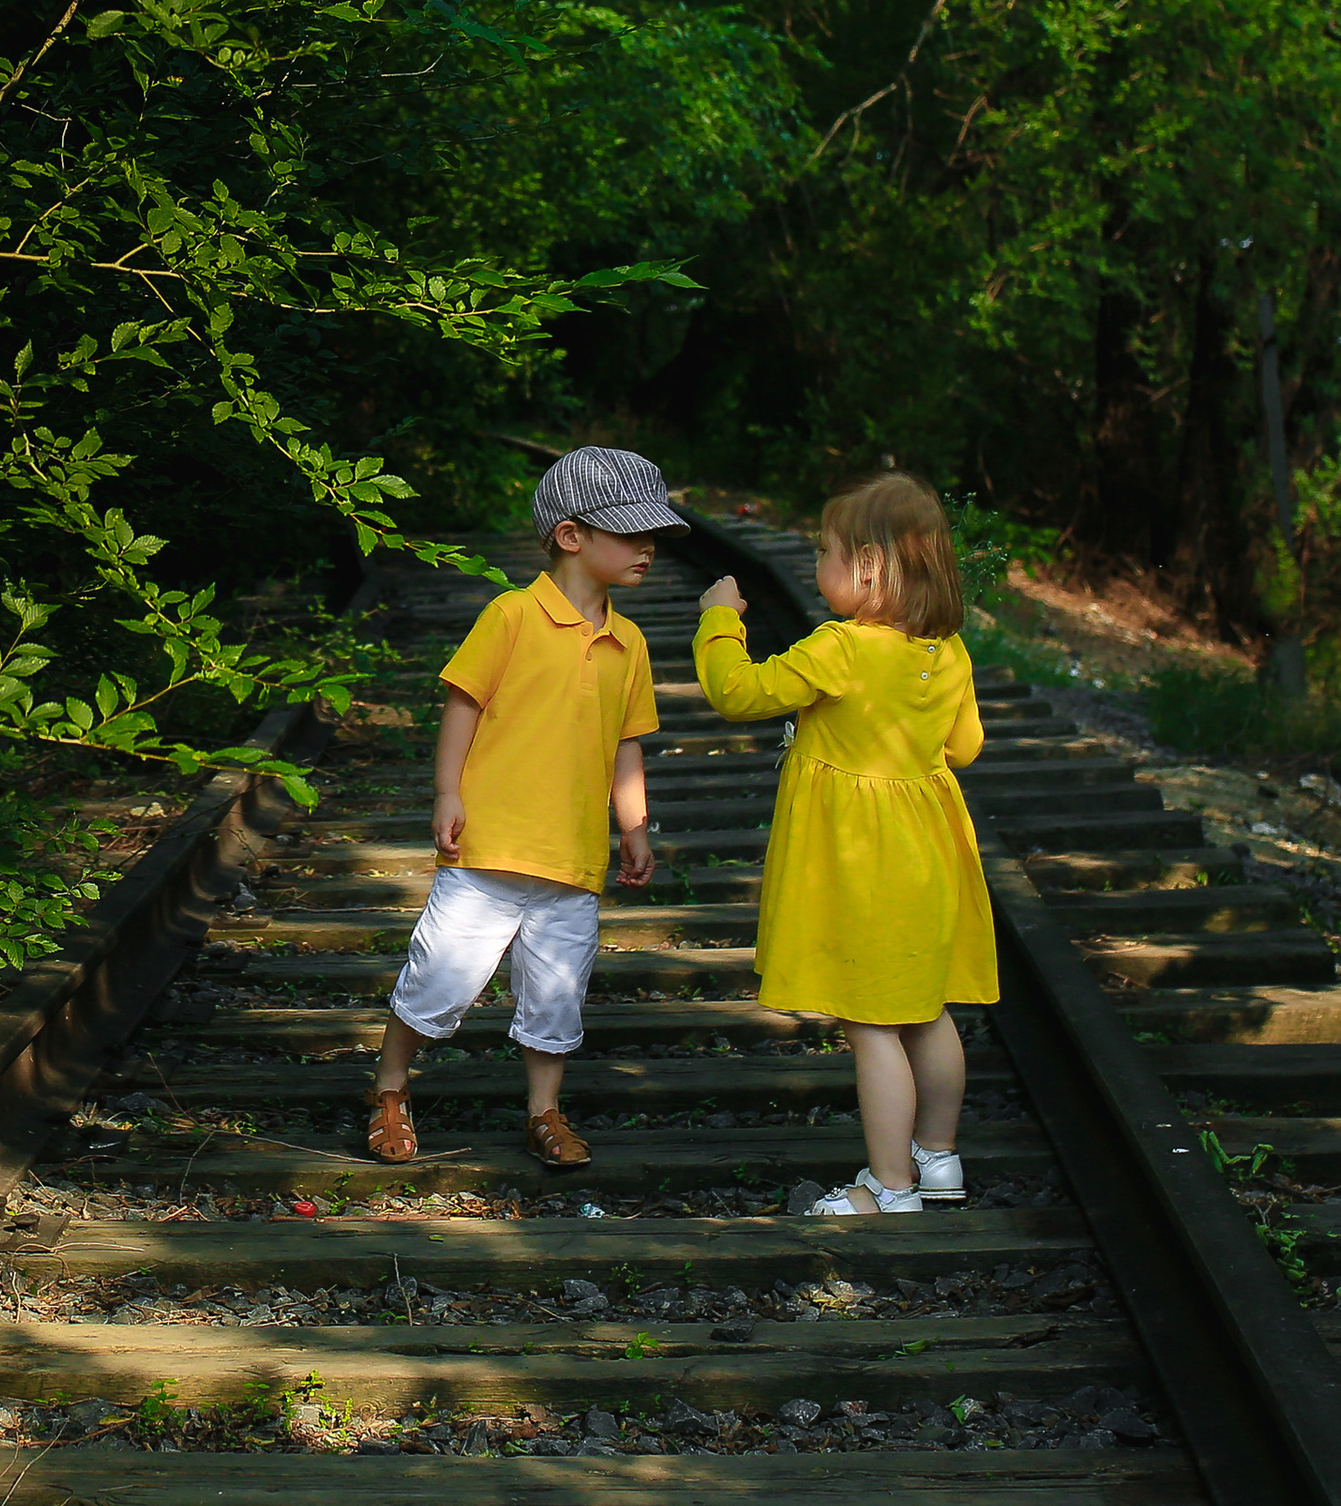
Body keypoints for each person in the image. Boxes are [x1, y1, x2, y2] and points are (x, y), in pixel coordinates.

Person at [366, 445, 683, 1171]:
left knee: (555, 996)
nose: (648, 549)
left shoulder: (630, 642)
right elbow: (464, 703)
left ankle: (544, 1110)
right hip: (488, 849)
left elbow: (626, 743)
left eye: (653, 537)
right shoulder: (511, 614)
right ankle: (389, 1087)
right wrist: (448, 791)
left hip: (572, 859)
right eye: (631, 534)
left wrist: (634, 826)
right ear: (571, 536)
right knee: (438, 978)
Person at [691, 472, 996, 1216]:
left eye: (823, 551)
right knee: (927, 1009)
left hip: (864, 865)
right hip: (929, 852)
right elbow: (965, 747)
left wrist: (719, 620)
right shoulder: (948, 650)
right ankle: (939, 1159)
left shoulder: (841, 648)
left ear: (867, 566)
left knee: (871, 1023)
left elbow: (739, 693)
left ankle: (889, 1187)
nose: (816, 564)